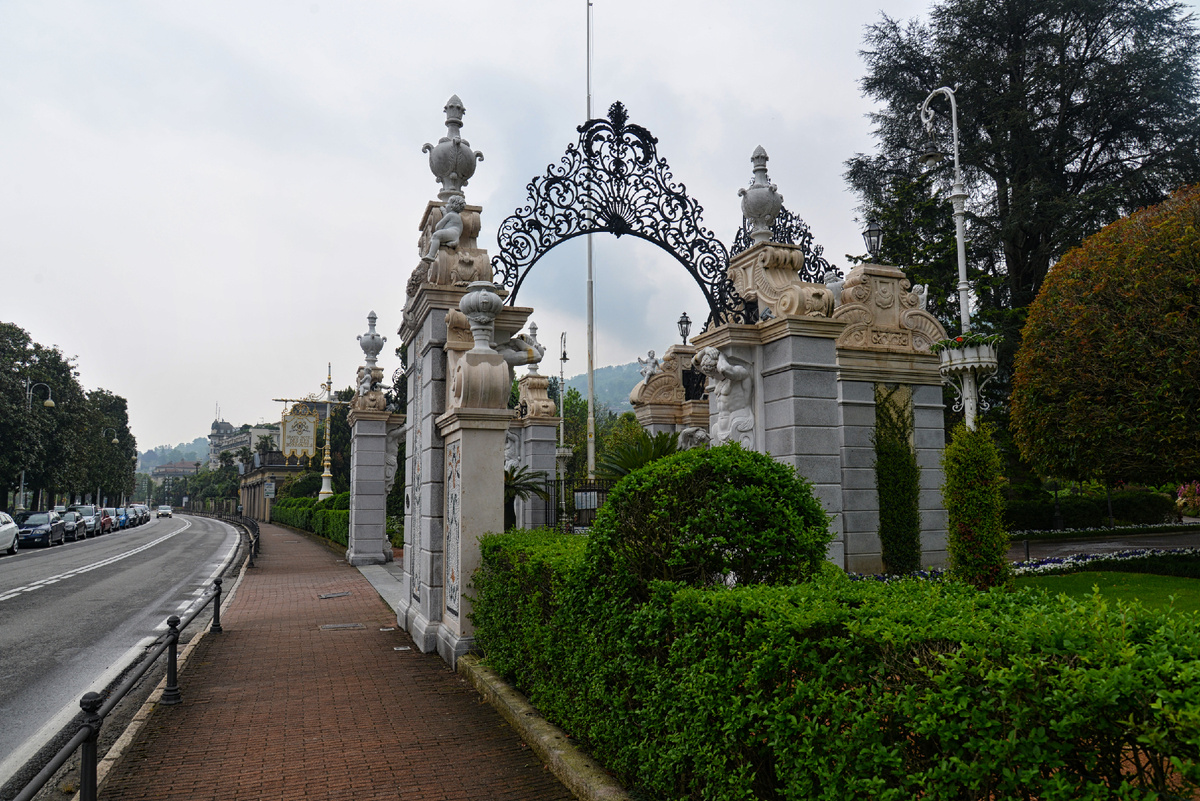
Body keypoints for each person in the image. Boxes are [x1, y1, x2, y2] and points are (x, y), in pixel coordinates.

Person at [693, 346, 754, 447]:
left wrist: (721, 355)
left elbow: (724, 369)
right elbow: (695, 363)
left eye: (713, 373)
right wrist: (705, 350)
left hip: (738, 421)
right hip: (721, 427)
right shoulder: (719, 379)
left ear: (717, 368)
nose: (712, 377)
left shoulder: (740, 373)